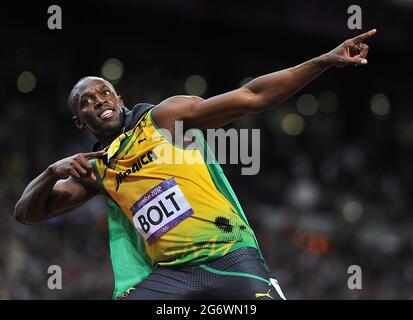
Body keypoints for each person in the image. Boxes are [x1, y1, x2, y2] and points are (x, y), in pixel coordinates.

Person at [14, 29, 376, 300]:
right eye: (86, 102)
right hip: (172, 275)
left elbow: (251, 96)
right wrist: (49, 174)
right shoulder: (96, 170)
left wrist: (323, 61)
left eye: (104, 92)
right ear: (80, 120)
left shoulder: (165, 118)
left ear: (119, 98)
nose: (99, 101)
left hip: (230, 257)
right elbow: (27, 213)